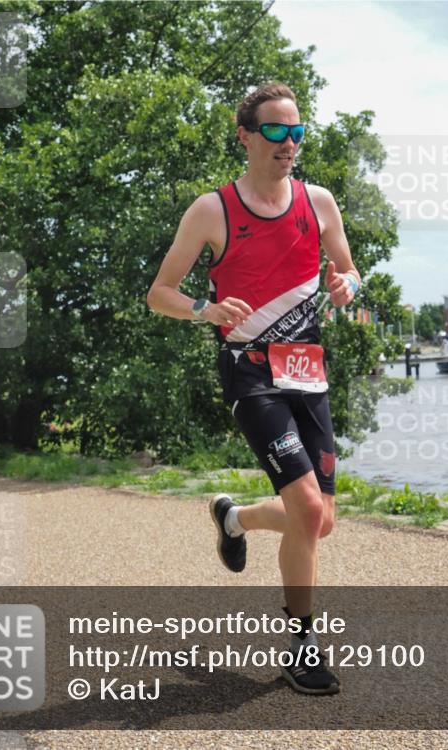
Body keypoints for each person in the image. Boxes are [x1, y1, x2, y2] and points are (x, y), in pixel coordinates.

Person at [147, 83, 360, 696]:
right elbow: (159, 293)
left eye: (296, 133)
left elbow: (347, 268)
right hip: (250, 371)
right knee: (309, 509)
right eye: (275, 131)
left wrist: (348, 286)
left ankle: (234, 518)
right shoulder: (211, 211)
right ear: (245, 135)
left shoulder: (318, 202)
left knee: (319, 522)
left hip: (305, 367)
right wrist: (204, 310)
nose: (289, 144)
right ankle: (303, 645)